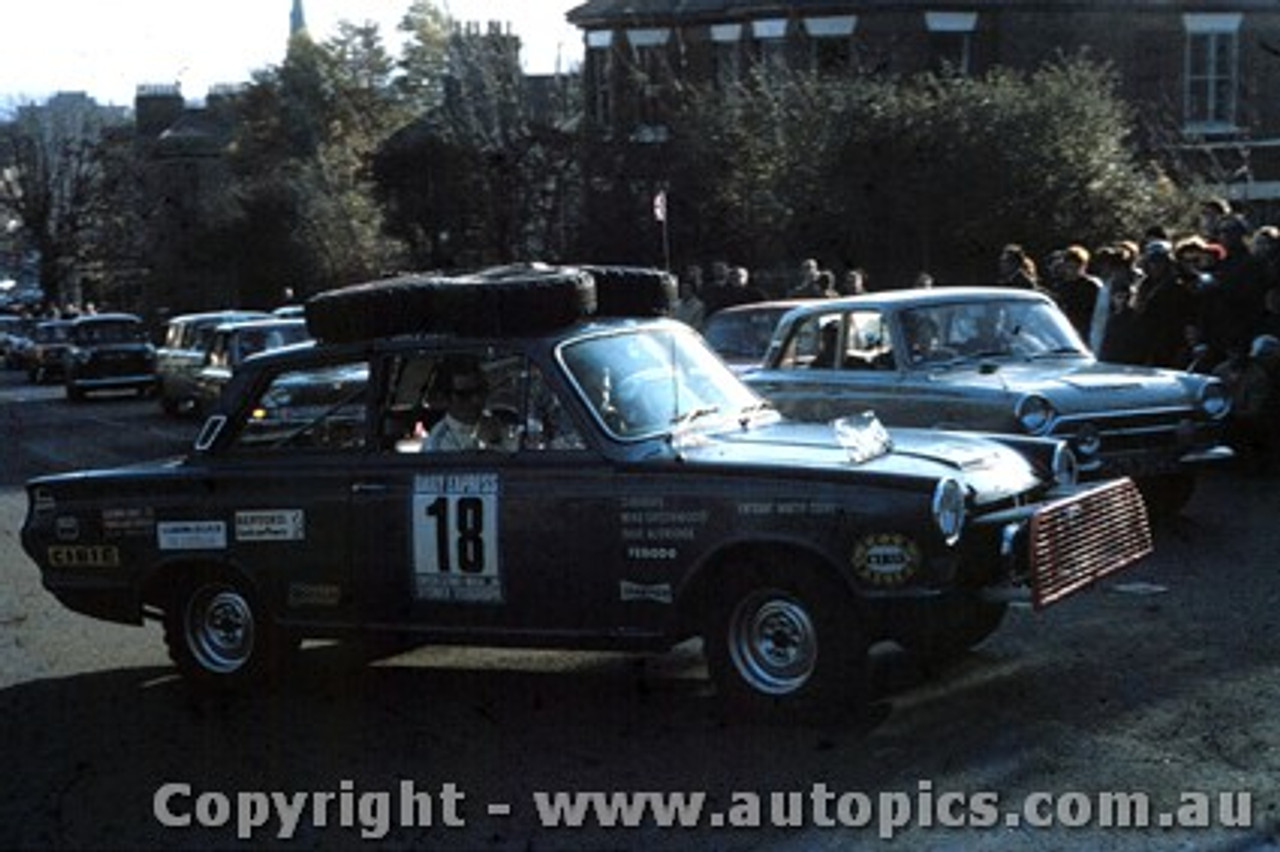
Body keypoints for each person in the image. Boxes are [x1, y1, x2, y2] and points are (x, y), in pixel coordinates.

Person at [422, 357, 516, 452]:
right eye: (464, 395)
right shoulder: (439, 441)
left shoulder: (502, 423)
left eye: (480, 390)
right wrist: (490, 444)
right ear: (446, 398)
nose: (475, 400)